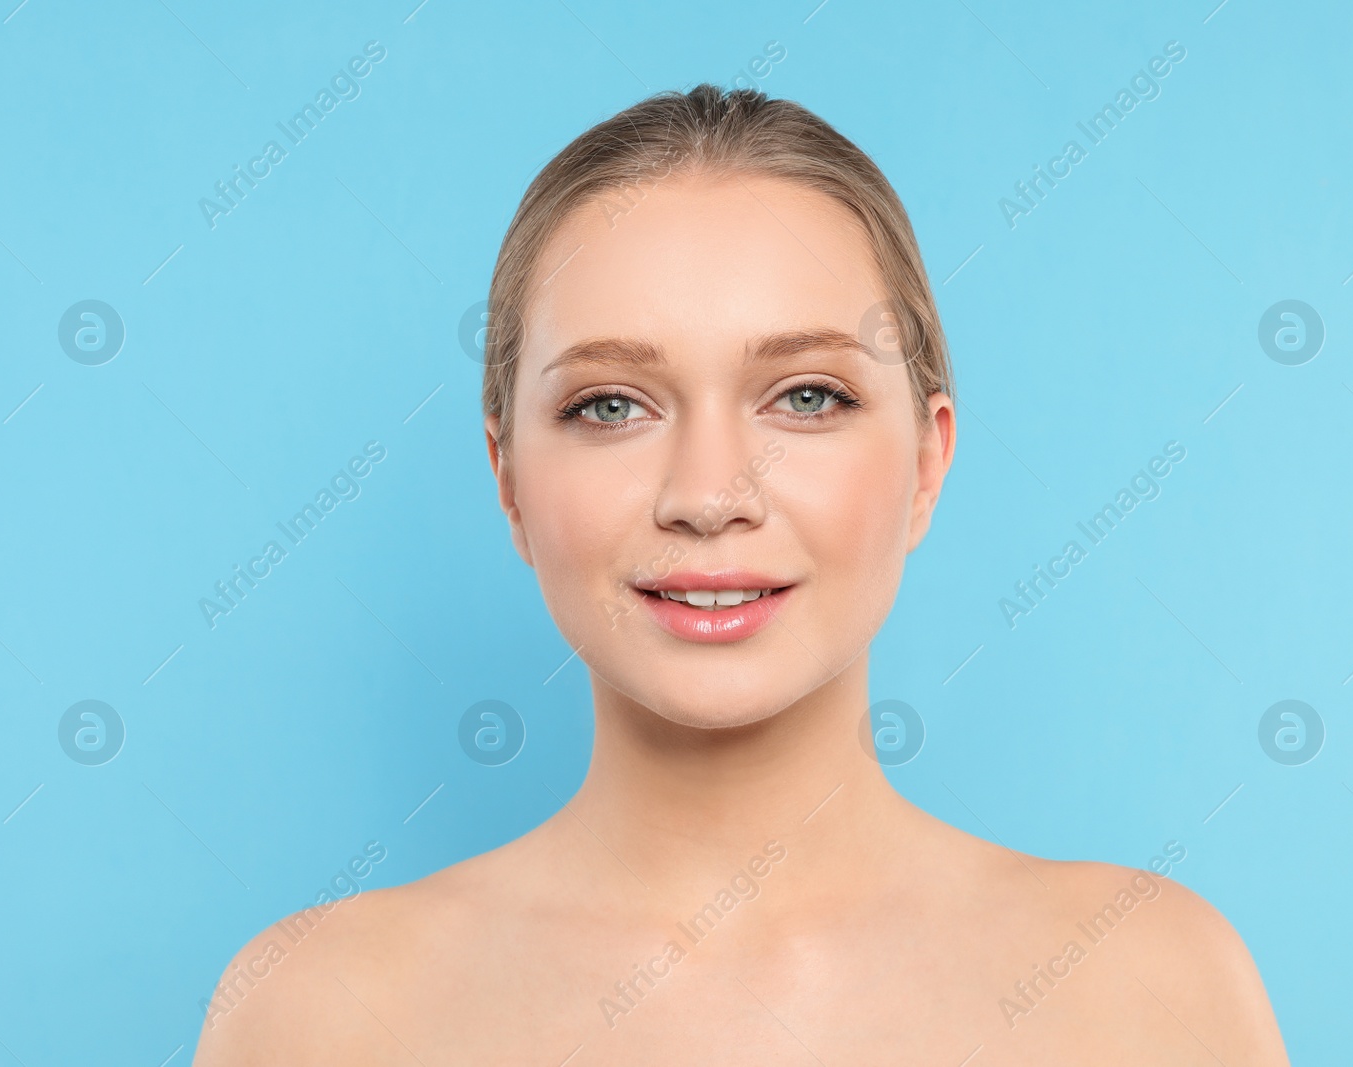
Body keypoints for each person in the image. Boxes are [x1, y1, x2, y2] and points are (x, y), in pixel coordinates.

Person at [195, 84, 1289, 1065]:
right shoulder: (312, 1015)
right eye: (608, 404)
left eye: (806, 395)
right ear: (509, 479)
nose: (710, 493)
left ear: (925, 461)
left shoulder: (1149, 990)